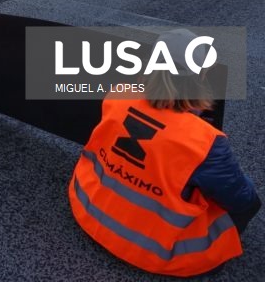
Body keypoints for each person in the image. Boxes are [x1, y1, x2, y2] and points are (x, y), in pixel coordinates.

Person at [69, 28, 261, 277]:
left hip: (89, 209)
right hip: (155, 252)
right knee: (244, 194)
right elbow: (243, 201)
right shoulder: (205, 141)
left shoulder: (119, 94)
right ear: (200, 77)